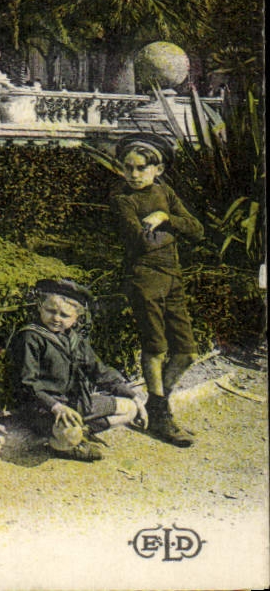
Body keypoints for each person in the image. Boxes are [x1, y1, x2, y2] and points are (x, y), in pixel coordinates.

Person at [113, 136, 202, 446]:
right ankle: (162, 416)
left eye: (141, 168)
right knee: (156, 348)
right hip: (144, 277)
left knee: (188, 352)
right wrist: (172, 230)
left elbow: (197, 228)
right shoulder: (124, 200)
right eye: (128, 168)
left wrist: (165, 218)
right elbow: (140, 241)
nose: (134, 175)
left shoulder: (165, 192)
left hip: (172, 276)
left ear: (158, 169)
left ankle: (157, 403)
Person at [6, 278, 145, 462]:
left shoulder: (75, 340)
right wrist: (55, 406)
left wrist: (134, 396)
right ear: (40, 307)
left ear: (75, 318)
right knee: (67, 432)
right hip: (43, 407)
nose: (56, 318)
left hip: (76, 404)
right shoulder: (31, 337)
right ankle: (65, 443)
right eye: (50, 311)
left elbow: (100, 371)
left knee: (131, 408)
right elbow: (27, 383)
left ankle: (83, 433)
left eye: (64, 315)